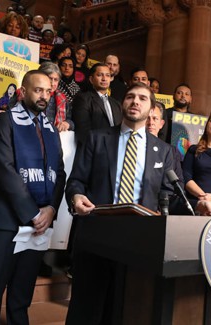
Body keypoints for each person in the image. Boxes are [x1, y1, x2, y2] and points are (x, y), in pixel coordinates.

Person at [65, 82, 176, 324]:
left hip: (140, 242)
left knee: (125, 310)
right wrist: (75, 197)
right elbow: (76, 181)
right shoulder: (96, 138)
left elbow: (169, 195)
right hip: (96, 235)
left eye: (143, 98)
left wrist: (197, 206)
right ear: (122, 103)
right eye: (130, 97)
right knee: (87, 308)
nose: (135, 101)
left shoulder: (163, 151)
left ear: (151, 109)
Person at [0, 70, 66, 325]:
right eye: (38, 90)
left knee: (23, 288)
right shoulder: (4, 121)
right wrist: (33, 213)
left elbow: (60, 172)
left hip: (40, 220)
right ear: (23, 92)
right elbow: (5, 170)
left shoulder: (51, 129)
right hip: (5, 218)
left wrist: (50, 209)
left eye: (48, 91)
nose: (44, 96)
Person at [71, 62, 122, 147]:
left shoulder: (116, 104)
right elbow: (83, 133)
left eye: (107, 75)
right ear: (91, 79)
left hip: (115, 150)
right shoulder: (83, 99)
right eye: (100, 75)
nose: (104, 79)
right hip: (94, 150)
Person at [39, 61, 73, 132]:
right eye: (50, 78)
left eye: (56, 80)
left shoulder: (63, 99)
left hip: (54, 137)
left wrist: (67, 124)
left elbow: (72, 121)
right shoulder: (26, 95)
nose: (52, 83)